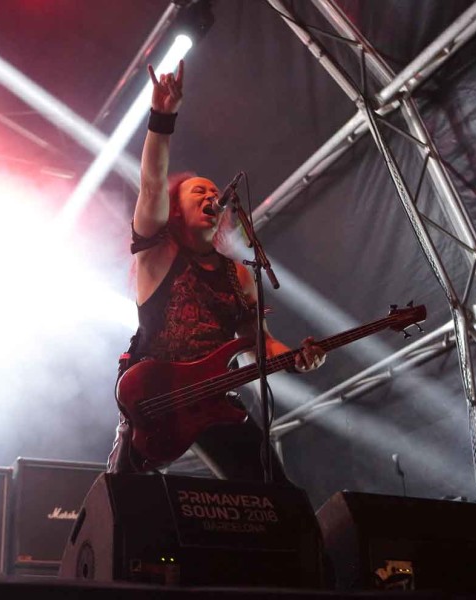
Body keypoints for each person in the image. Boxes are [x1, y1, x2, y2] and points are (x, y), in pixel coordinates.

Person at [106, 60, 325, 482]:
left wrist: (298, 360)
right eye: (198, 191)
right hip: (153, 397)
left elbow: (259, 344)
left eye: (213, 191)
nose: (211, 195)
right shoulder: (158, 253)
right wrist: (162, 117)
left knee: (272, 491)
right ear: (175, 208)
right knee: (127, 500)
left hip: (212, 400)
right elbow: (152, 183)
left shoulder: (238, 275)